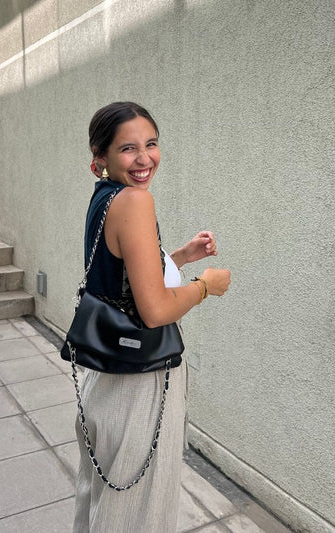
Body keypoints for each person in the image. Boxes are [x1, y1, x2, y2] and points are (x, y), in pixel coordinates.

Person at [73, 102, 231, 532]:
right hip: (139, 382)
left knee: (102, 506)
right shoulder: (136, 201)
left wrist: (180, 256)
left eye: (151, 143)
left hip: (104, 377)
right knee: (137, 516)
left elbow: (121, 278)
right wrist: (205, 286)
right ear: (101, 157)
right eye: (128, 148)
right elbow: (155, 309)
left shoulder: (104, 198)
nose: (144, 158)